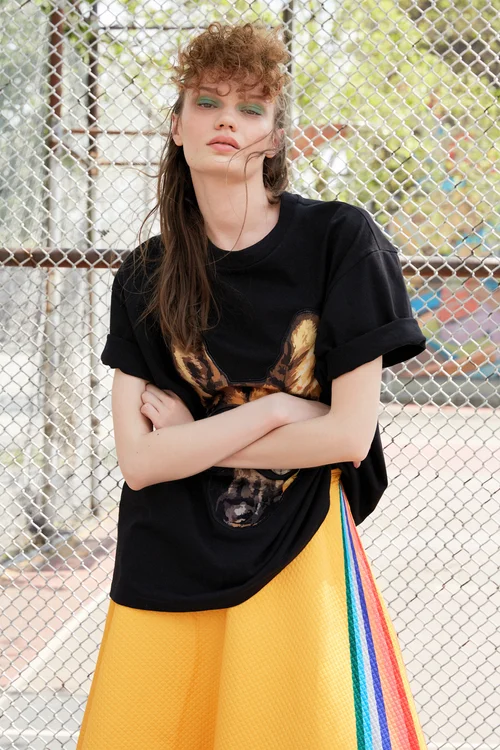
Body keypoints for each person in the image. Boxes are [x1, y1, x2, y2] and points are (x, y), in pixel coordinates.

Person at [76, 20, 429, 750]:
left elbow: (347, 436)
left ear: (273, 137)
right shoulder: (143, 274)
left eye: (251, 107)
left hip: (294, 554)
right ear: (177, 128)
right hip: (165, 563)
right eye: (207, 102)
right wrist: (283, 411)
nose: (228, 120)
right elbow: (140, 463)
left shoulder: (340, 240)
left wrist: (192, 439)